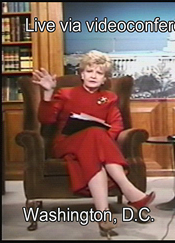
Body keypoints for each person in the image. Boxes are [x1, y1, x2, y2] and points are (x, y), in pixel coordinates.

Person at [32, 50, 155, 239]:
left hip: (95, 147)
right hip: (66, 144)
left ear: (104, 79)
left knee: (95, 137)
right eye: (89, 71)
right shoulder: (65, 94)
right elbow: (46, 119)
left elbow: (116, 126)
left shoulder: (109, 98)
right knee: (95, 133)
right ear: (82, 74)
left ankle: (103, 215)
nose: (93, 76)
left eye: (99, 73)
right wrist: (48, 92)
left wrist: (101, 137)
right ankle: (130, 191)